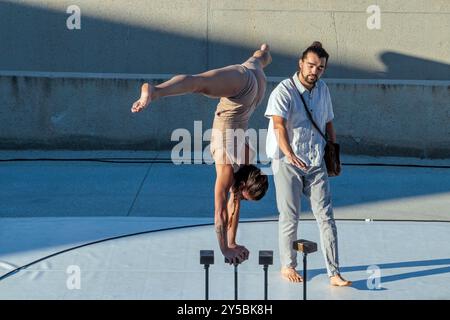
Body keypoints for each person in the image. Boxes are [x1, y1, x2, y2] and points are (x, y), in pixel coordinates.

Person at [131, 44, 272, 265]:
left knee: (259, 59)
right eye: (245, 195)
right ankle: (154, 91)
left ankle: (263, 52)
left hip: (256, 86)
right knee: (199, 84)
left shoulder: (248, 163)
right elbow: (220, 216)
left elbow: (235, 204)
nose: (241, 198)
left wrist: (233, 242)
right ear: (244, 186)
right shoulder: (227, 168)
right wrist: (225, 248)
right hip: (242, 90)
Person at [264, 41, 352, 286]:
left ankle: (334, 272)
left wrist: (333, 152)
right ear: (301, 63)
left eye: (320, 67)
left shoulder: (323, 90)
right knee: (290, 216)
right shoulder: (283, 91)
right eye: (311, 65)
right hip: (287, 163)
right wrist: (289, 153)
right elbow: (279, 125)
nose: (315, 71)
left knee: (326, 217)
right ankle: (287, 265)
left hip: (315, 162)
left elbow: (329, 122)